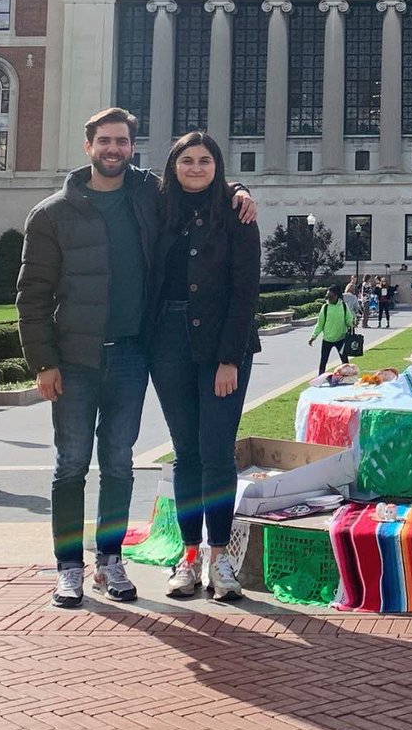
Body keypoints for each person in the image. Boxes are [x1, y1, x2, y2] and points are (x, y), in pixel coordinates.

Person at [16, 107, 255, 609]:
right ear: (89, 146)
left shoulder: (162, 198)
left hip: (139, 352)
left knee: (128, 462)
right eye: (105, 141)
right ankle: (73, 567)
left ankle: (126, 560)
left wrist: (238, 191)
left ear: (132, 148)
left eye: (122, 142)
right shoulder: (62, 212)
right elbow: (32, 294)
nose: (113, 149)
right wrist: (42, 361)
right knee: (74, 465)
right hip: (93, 354)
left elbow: (241, 285)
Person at [145, 132, 261, 602]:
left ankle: (221, 556)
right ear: (172, 165)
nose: (195, 167)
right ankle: (188, 557)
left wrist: (229, 358)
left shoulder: (236, 214)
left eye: (205, 160)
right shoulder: (156, 209)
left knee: (215, 452)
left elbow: (245, 292)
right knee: (185, 454)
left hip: (220, 346)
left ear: (218, 167)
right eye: (186, 160)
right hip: (167, 342)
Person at [309, 285, 354, 374]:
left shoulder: (343, 306)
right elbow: (320, 324)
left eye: (331, 297)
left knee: (345, 362)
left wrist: (352, 323)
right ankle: (320, 379)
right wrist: (313, 336)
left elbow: (349, 319)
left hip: (341, 339)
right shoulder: (325, 307)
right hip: (327, 339)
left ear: (337, 295)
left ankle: (349, 378)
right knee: (323, 362)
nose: (329, 299)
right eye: (327, 297)